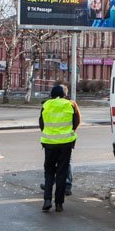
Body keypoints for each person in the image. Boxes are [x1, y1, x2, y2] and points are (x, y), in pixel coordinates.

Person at [39, 84, 80, 212]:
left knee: (49, 171)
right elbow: (77, 121)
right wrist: (70, 131)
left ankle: (47, 200)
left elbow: (41, 123)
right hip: (66, 144)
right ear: (64, 94)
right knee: (62, 173)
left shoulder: (46, 105)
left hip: (49, 143)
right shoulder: (71, 104)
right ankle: (59, 204)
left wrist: (50, 133)